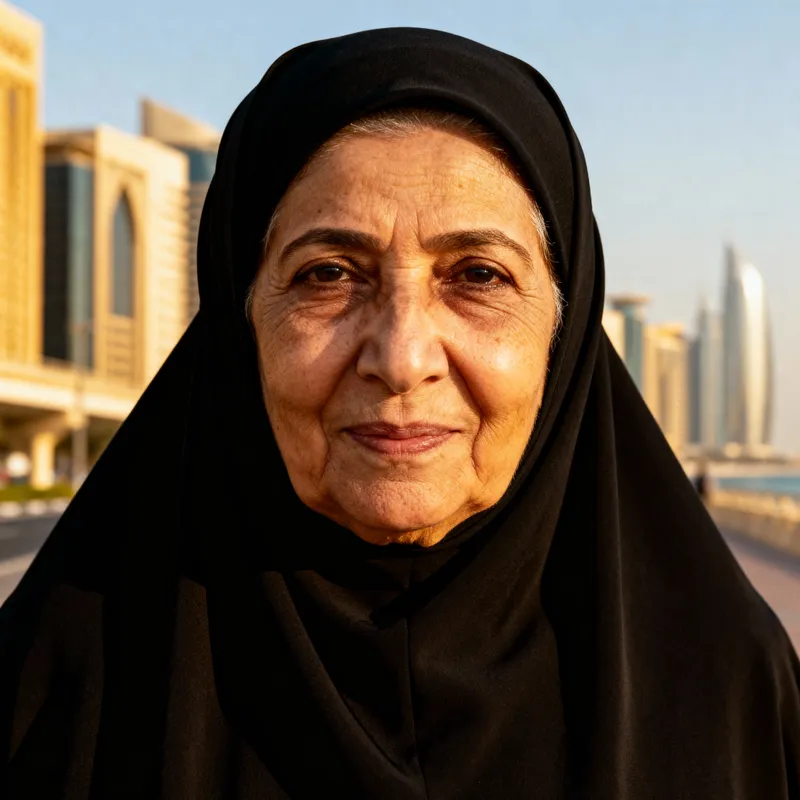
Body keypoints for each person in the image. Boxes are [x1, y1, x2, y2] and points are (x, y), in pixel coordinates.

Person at [0, 28, 798, 799]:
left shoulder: (727, 689)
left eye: (478, 275)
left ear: (564, 327)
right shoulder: (63, 682)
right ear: (241, 321)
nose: (403, 355)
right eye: (328, 275)